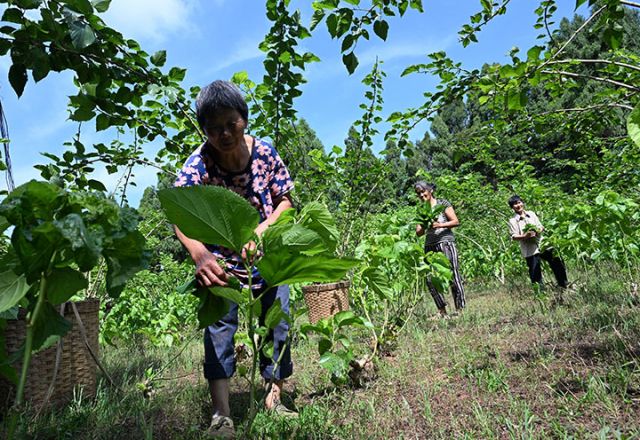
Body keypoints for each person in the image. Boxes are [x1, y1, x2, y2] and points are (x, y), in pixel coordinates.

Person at [174, 80, 296, 438]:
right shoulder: (199, 163)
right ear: (204, 130)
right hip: (221, 263)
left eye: (232, 123)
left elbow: (286, 200)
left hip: (268, 253)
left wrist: (261, 231)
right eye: (214, 128)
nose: (224, 134)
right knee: (219, 330)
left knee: (278, 323)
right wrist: (199, 254)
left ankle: (275, 397)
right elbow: (180, 213)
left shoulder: (266, 154)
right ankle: (221, 414)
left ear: (244, 118)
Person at [414, 181, 465, 318]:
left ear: (430, 191)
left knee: (453, 274)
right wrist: (425, 224)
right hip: (430, 245)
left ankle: (460, 309)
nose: (421, 195)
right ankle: (441, 310)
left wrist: (439, 224)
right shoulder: (422, 209)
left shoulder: (442, 204)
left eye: (423, 191)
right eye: (418, 193)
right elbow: (418, 232)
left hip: (445, 243)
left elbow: (455, 221)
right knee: (430, 278)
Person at [507, 195, 569, 289]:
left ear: (522, 203)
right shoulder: (512, 221)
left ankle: (563, 284)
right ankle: (540, 293)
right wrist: (525, 236)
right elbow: (514, 236)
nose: (518, 205)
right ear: (512, 207)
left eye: (519, 202)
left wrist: (539, 230)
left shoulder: (531, 213)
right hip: (529, 248)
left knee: (557, 262)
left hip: (542, 243)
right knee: (535, 272)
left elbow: (540, 226)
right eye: (515, 204)